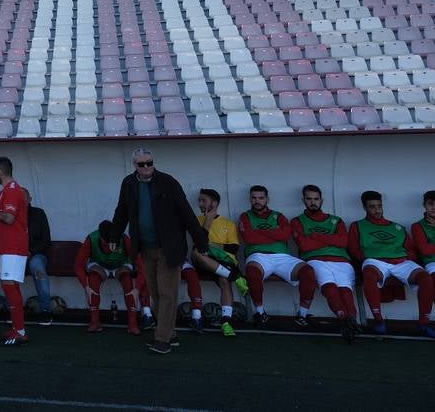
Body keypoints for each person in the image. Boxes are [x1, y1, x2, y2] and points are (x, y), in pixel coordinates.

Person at [108, 147, 207, 354]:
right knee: (156, 293)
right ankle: (170, 334)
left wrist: (201, 241)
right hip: (145, 247)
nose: (147, 167)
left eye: (150, 162)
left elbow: (186, 212)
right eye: (142, 164)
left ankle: (162, 340)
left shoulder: (168, 182)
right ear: (134, 165)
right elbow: (122, 211)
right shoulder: (128, 183)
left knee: (167, 294)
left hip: (169, 248)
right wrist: (114, 236)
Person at [348, 189, 435, 338]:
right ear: (364, 208)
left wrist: (404, 258)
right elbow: (353, 248)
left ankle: (424, 324)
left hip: (401, 262)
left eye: (379, 206)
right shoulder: (357, 226)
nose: (377, 210)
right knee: (369, 274)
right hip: (375, 262)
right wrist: (368, 255)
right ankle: (379, 321)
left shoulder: (397, 227)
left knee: (426, 278)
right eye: (372, 207)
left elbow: (410, 248)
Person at [289, 184, 359, 342]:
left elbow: (343, 242)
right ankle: (344, 320)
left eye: (316, 199)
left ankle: (352, 320)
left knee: (346, 291)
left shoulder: (336, 220)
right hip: (316, 260)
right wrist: (330, 241)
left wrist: (314, 236)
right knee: (330, 289)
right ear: (303, 200)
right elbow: (304, 246)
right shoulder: (297, 221)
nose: (313, 202)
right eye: (309, 199)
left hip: (342, 261)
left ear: (322, 200)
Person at [181, 188, 246, 337]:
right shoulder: (197, 220)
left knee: (224, 279)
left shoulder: (228, 223)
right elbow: (199, 243)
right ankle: (236, 276)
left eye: (204, 200)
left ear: (214, 203)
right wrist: (208, 222)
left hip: (223, 261)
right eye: (199, 200)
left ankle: (226, 322)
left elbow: (233, 248)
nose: (200, 203)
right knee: (197, 252)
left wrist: (212, 246)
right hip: (202, 261)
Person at [238, 185, 305, 328]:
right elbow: (249, 238)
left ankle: (303, 315)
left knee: (308, 271)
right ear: (250, 199)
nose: (257, 201)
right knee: (252, 272)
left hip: (282, 257)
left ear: (267, 199)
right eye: (254, 198)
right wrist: (274, 233)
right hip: (257, 256)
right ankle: (260, 313)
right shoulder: (245, 216)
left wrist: (260, 232)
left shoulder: (278, 216)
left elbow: (285, 235)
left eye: (261, 198)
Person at [0, 156, 30, 347]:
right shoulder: (5, 192)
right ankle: (18, 328)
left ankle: (20, 331)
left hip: (13, 246)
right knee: (11, 286)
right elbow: (7, 218)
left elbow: (9, 218)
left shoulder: (11, 191)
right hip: (9, 246)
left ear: (0, 172)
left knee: (10, 286)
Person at [76, 222, 140, 335]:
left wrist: (137, 288)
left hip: (121, 264)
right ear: (100, 237)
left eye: (113, 242)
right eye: (107, 242)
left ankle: (132, 323)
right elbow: (78, 265)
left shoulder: (124, 239)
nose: (110, 246)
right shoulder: (91, 240)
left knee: (127, 280)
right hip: (100, 264)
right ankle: (94, 322)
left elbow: (141, 265)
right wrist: (86, 287)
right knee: (93, 280)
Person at [410, 190, 435, 335]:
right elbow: (425, 250)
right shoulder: (417, 226)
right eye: (430, 203)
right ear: (424, 205)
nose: (434, 207)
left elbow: (432, 247)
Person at [26, 189, 54, 326]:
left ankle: (45, 310)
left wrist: (31, 251)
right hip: (18, 255)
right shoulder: (11, 214)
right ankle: (12, 309)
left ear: (30, 199)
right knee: (7, 269)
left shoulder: (39, 214)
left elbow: (46, 239)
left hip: (37, 254)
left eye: (24, 197)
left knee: (37, 267)